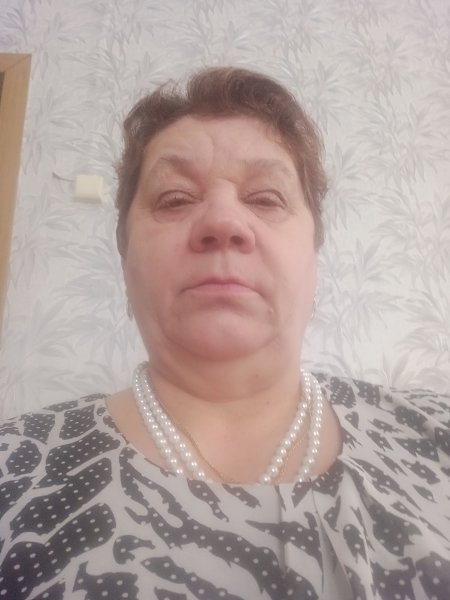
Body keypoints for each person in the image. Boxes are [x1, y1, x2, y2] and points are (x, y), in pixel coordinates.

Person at [0, 67, 449, 600]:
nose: (223, 222)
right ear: (125, 261)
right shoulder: (15, 469)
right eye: (174, 198)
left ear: (313, 258)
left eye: (266, 198)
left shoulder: (436, 433)